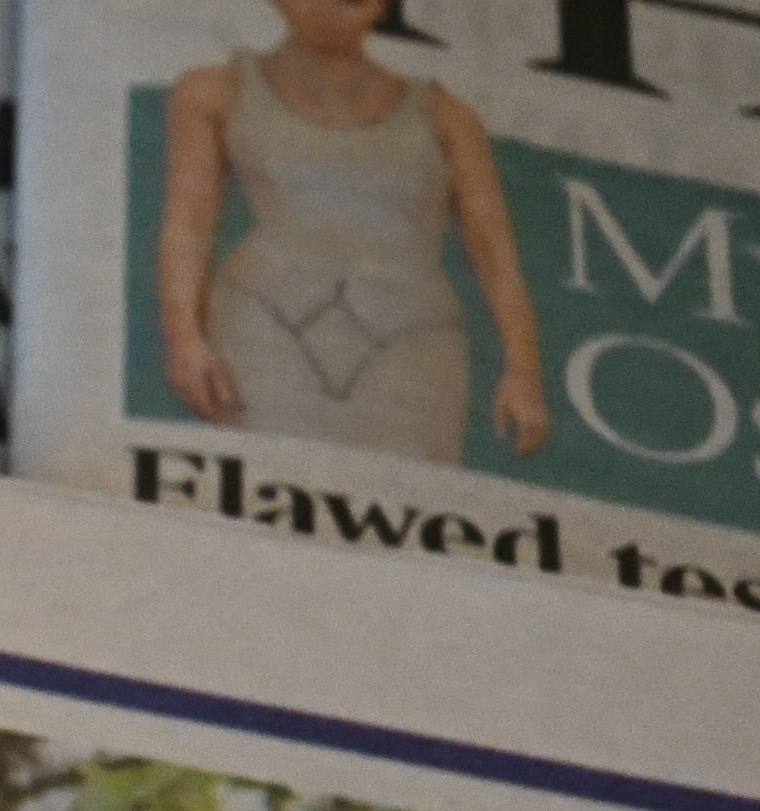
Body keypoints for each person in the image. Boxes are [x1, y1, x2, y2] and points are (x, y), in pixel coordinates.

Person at [163, 0, 550, 465]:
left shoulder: (449, 119)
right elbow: (189, 223)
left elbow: (494, 252)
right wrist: (185, 339)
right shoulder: (213, 90)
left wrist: (523, 370)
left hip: (414, 348)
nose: (330, 8)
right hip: (262, 332)